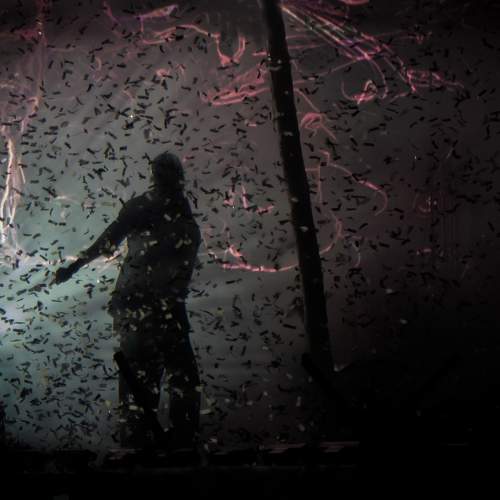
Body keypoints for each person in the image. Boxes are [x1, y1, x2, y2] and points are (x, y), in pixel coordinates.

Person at [54, 152, 202, 450]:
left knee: (178, 379)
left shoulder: (179, 213)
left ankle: (172, 444)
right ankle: (141, 446)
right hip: (140, 306)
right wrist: (74, 267)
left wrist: (74, 268)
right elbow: (108, 240)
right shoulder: (144, 208)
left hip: (164, 307)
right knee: (151, 378)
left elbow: (109, 240)